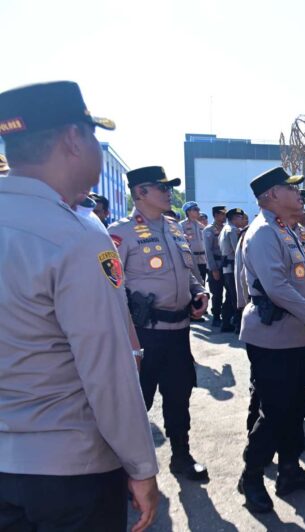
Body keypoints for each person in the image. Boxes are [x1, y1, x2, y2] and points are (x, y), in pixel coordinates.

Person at [0, 80, 159, 531]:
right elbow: (107, 369)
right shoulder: (76, 236)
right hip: (69, 471)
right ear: (73, 138)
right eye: (93, 136)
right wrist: (141, 466)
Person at [238, 167, 305, 514]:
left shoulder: (286, 229)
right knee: (274, 412)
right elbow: (278, 289)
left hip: (294, 335)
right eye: (291, 188)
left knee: (296, 408)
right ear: (271, 195)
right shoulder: (264, 232)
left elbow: (299, 284)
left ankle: (289, 471)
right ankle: (251, 477)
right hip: (272, 337)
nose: (299, 193)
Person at [109, 165, 210, 483]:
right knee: (138, 402)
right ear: (140, 192)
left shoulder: (175, 228)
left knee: (179, 396)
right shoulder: (120, 233)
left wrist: (199, 292)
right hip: (143, 335)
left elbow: (189, 272)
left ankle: (181, 456)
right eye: (162, 188)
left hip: (179, 332)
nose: (169, 193)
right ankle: (126, 470)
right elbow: (109, 289)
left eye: (170, 188)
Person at [219, 207, 245, 332]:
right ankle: (239, 325)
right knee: (237, 297)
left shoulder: (225, 228)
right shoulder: (233, 230)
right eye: (240, 217)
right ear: (234, 218)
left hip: (227, 268)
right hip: (233, 267)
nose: (242, 219)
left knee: (230, 296)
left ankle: (226, 323)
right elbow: (237, 250)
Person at [204, 205, 227, 327]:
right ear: (216, 215)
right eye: (222, 214)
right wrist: (213, 269)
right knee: (217, 293)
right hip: (216, 265)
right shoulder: (209, 230)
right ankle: (216, 317)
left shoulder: (225, 228)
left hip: (226, 264)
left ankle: (226, 314)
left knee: (230, 292)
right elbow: (208, 251)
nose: (225, 216)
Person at [181, 200, 208, 285]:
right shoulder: (181, 225)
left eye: (198, 209)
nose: (198, 211)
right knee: (192, 284)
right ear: (188, 211)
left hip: (202, 259)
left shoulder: (201, 225)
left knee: (202, 282)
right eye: (196, 209)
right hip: (190, 259)